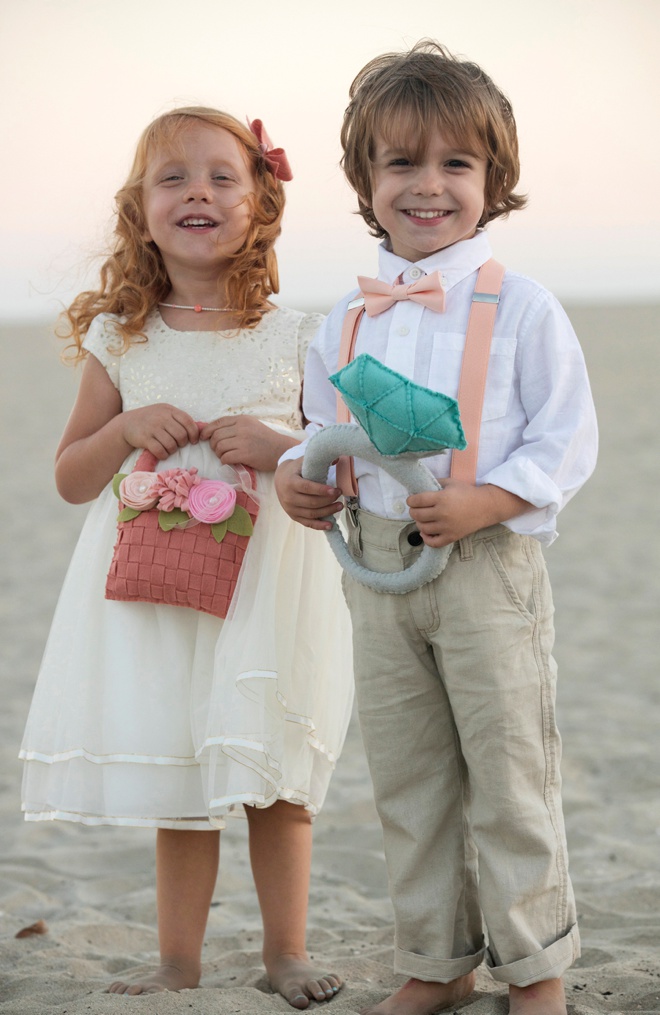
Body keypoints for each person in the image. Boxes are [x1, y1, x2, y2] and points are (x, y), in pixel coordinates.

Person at [275, 41, 597, 1015]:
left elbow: (564, 437)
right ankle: (440, 960)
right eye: (400, 162)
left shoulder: (522, 306)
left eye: (455, 163)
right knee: (409, 777)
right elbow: (315, 432)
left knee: (509, 773)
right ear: (364, 181)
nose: (428, 185)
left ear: (493, 179)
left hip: (486, 566)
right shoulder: (341, 320)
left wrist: (489, 499)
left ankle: (535, 967)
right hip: (374, 571)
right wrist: (302, 482)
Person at [20, 106, 353, 1008]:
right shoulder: (122, 338)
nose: (197, 192)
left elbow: (336, 460)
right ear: (140, 208)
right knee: (180, 775)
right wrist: (127, 426)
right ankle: (180, 962)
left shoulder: (300, 334)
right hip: (155, 585)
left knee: (274, 771)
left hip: (267, 581)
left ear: (260, 204)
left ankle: (286, 952)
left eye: (220, 176)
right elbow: (68, 476)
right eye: (173, 178)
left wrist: (281, 445)